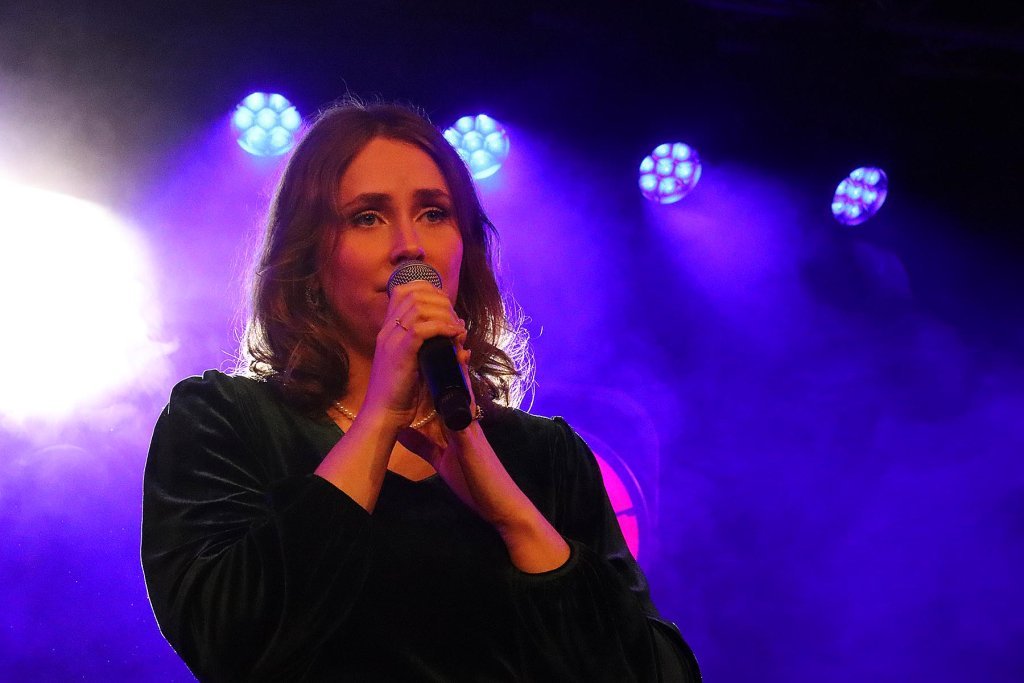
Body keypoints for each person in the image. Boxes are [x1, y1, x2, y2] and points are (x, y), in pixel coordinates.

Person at [141, 99, 701, 682]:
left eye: (434, 213)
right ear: (307, 256)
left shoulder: (546, 456)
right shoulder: (226, 421)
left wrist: (513, 517)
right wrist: (380, 415)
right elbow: (225, 642)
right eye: (367, 217)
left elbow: (657, 674)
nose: (409, 245)